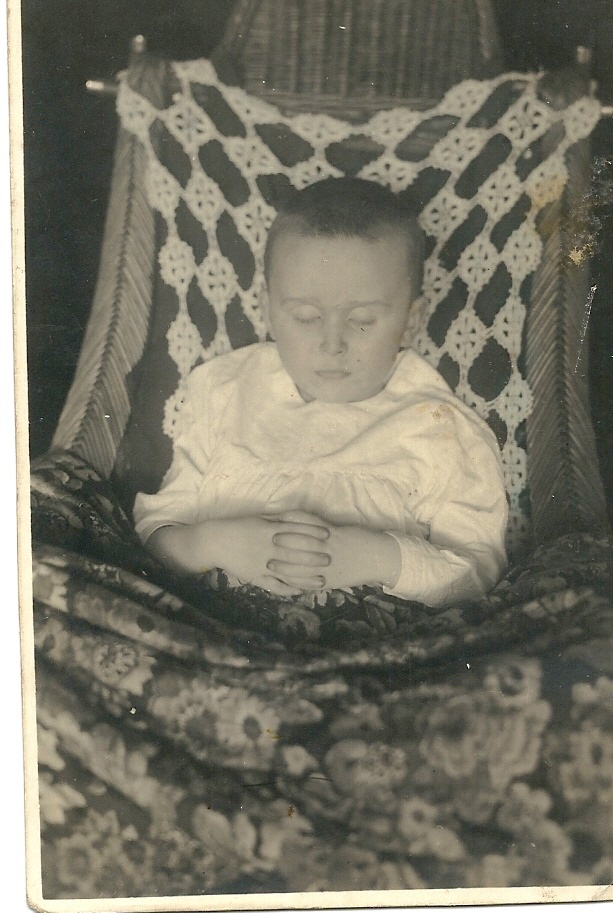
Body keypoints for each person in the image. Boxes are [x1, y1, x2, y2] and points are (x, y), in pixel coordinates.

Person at [134, 177, 507, 607]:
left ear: (411, 321)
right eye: (306, 316)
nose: (332, 344)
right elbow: (156, 533)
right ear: (267, 310)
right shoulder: (224, 392)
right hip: (217, 625)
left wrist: (379, 558)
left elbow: (478, 574)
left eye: (363, 319)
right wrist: (210, 543)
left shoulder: (442, 428)